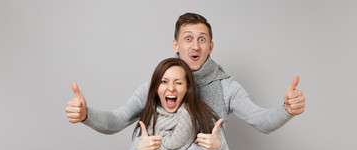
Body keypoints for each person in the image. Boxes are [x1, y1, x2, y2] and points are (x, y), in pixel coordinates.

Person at [65, 12, 305, 135]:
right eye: (188, 39)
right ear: (176, 45)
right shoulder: (159, 85)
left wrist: (286, 110)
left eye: (202, 40)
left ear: (210, 47)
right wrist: (87, 114)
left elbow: (261, 121)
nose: (195, 46)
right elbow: (118, 120)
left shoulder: (226, 86)